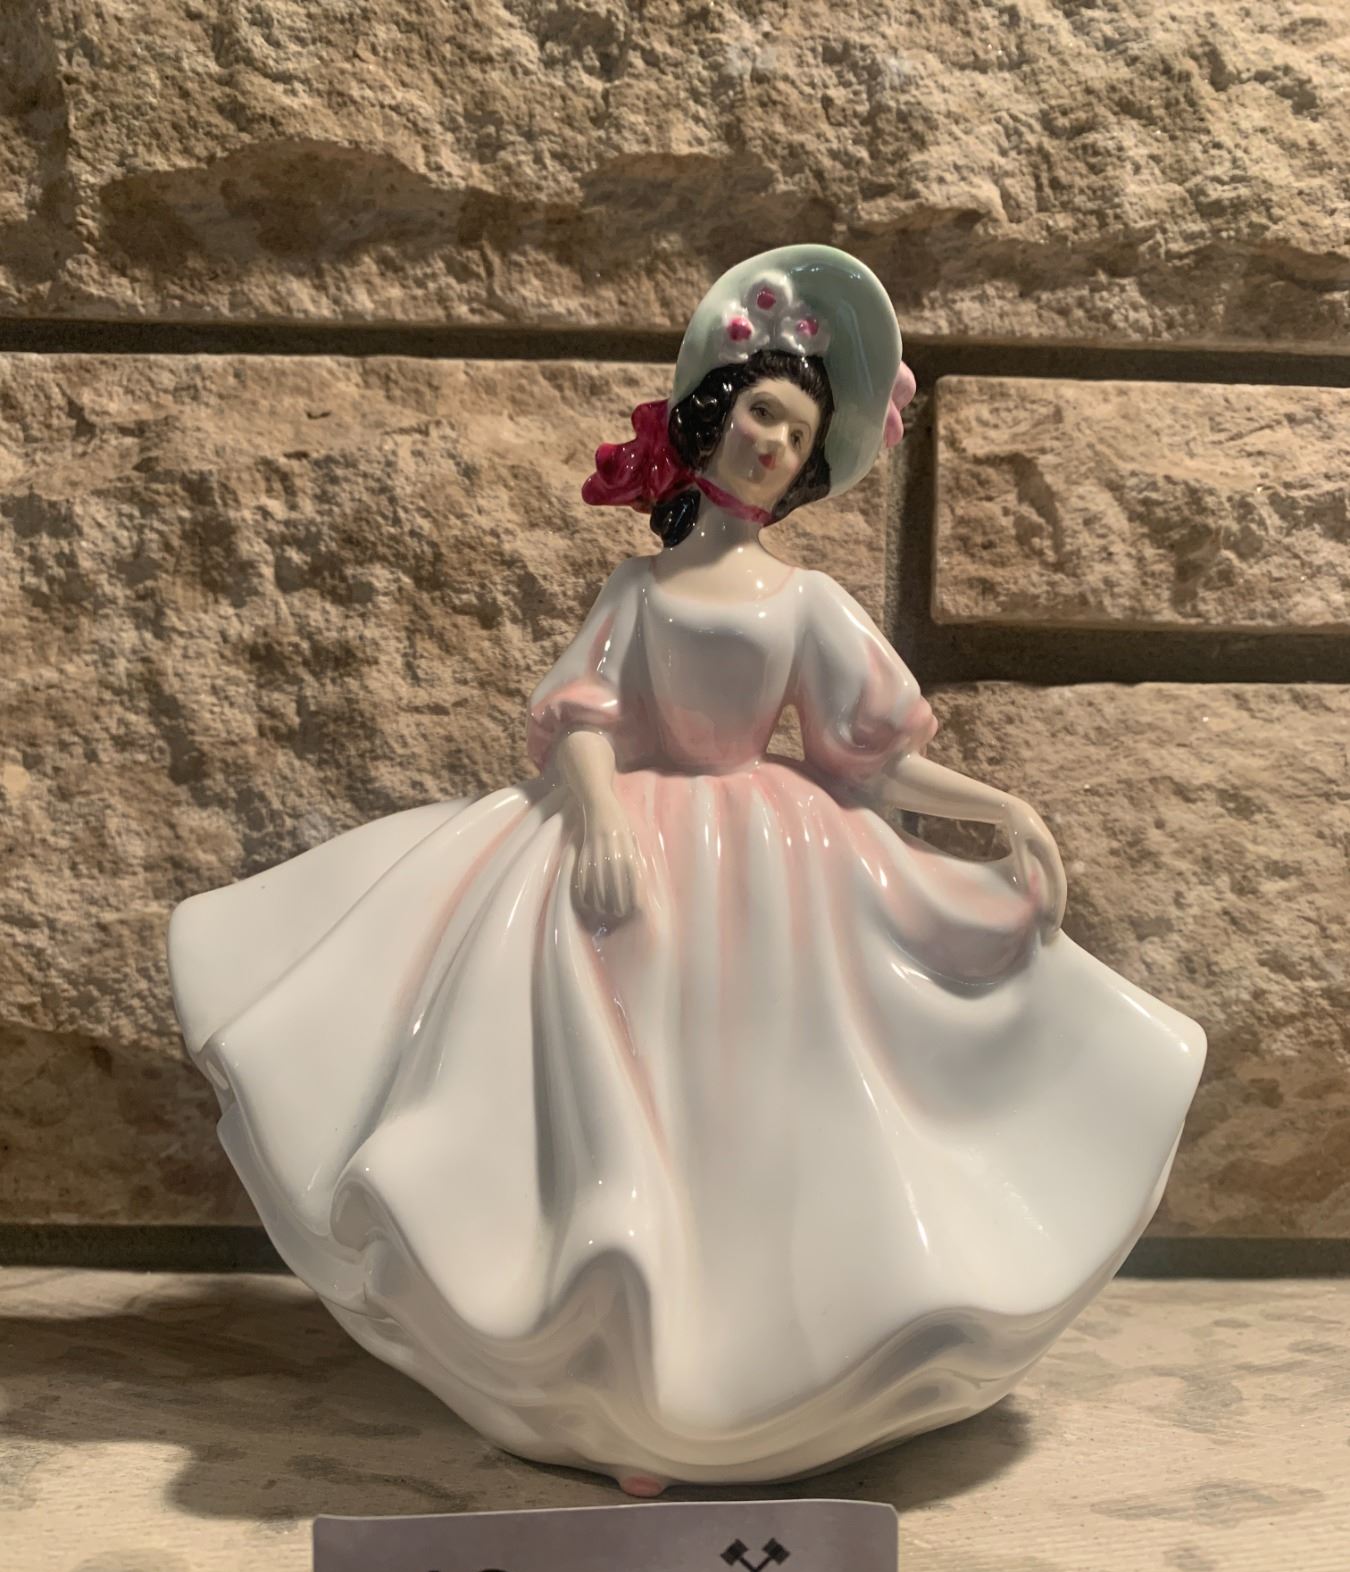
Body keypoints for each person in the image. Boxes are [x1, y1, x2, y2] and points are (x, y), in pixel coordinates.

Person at [169, 246, 1206, 1494]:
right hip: (627, 854)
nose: (773, 442)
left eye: (798, 432)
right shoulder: (640, 587)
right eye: (763, 412)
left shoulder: (807, 602)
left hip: (777, 868)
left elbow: (873, 759)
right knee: (601, 1082)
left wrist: (998, 808)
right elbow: (582, 715)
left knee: (769, 1103)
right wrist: (600, 812)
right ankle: (614, 1381)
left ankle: (751, 1372)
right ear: (715, 415)